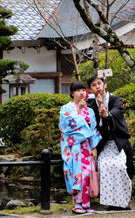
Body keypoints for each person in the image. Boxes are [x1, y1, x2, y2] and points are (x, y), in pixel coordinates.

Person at [87, 75, 134, 211]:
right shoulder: (91, 106)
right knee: (105, 166)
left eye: (99, 83)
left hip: (119, 143)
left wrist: (107, 114)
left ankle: (123, 202)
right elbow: (92, 128)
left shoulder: (115, 100)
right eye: (94, 85)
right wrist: (94, 147)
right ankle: (111, 202)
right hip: (103, 145)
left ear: (105, 85)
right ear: (90, 89)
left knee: (119, 167)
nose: (97, 87)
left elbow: (117, 111)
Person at [59, 80, 102, 214]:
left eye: (83, 90)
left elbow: (93, 129)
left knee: (88, 175)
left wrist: (94, 147)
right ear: (72, 93)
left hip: (87, 147)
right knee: (78, 175)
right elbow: (66, 126)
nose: (81, 93)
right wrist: (78, 110)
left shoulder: (90, 111)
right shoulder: (66, 108)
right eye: (78, 90)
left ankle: (86, 204)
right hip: (74, 147)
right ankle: (77, 204)